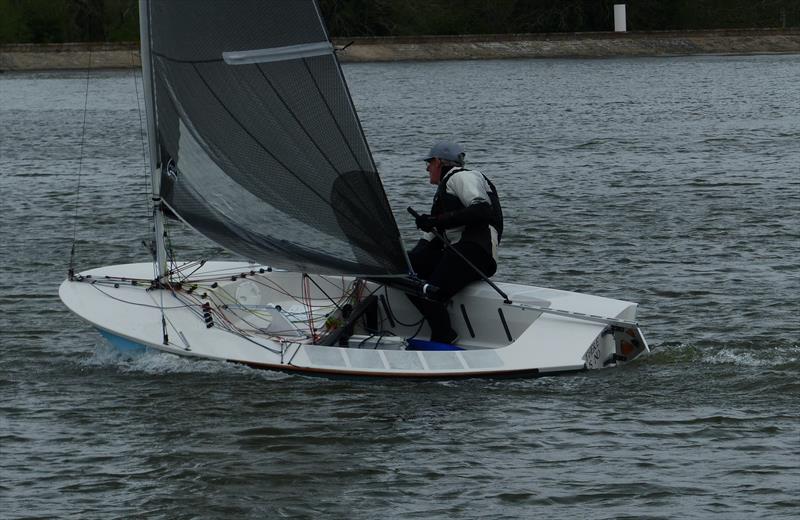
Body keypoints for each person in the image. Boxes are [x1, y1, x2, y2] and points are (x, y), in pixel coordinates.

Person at [408, 140, 503, 344]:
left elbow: (481, 210)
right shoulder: (446, 188)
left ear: (439, 162)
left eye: (429, 163)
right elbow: (433, 237)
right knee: (407, 274)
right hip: (459, 250)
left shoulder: (462, 176)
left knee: (430, 293)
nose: (427, 168)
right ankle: (442, 332)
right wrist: (401, 261)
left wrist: (435, 220)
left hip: (475, 250)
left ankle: (444, 336)